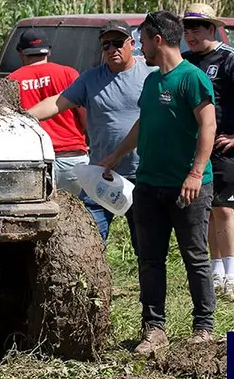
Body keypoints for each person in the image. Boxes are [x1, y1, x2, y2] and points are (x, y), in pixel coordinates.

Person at [99, 10, 217, 353]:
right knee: (149, 259)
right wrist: (115, 155)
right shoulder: (151, 81)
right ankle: (154, 329)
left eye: (143, 40)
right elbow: (143, 124)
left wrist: (195, 173)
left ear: (158, 40)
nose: (140, 47)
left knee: (194, 256)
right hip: (148, 186)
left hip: (187, 185)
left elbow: (208, 126)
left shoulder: (192, 78)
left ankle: (203, 328)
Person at [26, 20, 155, 242]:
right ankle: (88, 277)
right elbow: (58, 102)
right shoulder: (90, 78)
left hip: (141, 173)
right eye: (106, 45)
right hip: (102, 173)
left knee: (146, 246)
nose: (112, 49)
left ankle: (148, 277)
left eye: (118, 43)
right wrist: (24, 118)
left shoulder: (151, 75)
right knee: (89, 239)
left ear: (131, 43)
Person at [182, 2, 234, 302]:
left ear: (211, 28)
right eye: (186, 28)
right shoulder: (186, 60)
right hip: (197, 148)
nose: (190, 34)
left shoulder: (230, 58)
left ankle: (232, 277)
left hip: (225, 145)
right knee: (206, 209)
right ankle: (216, 273)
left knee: (224, 208)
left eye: (196, 27)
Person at [6, 29, 90, 195]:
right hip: (72, 159)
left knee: (37, 215)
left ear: (20, 52)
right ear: (49, 50)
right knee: (76, 216)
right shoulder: (69, 74)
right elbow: (85, 115)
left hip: (33, 160)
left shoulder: (11, 81)